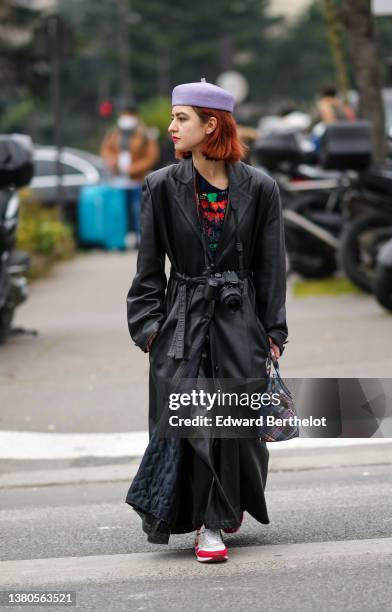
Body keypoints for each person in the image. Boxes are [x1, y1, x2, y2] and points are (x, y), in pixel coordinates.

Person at [125, 78, 288, 563]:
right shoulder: (159, 185)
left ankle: (221, 510)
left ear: (211, 124)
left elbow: (271, 266)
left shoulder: (260, 188)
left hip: (239, 322)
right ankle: (208, 524)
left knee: (235, 426)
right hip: (181, 322)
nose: (171, 127)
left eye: (182, 118)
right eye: (174, 118)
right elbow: (149, 267)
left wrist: (273, 332)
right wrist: (149, 328)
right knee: (193, 424)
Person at [100, 102, 160, 245]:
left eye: (129, 115)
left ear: (135, 117)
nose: (126, 118)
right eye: (124, 115)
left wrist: (133, 169)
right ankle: (125, 237)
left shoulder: (145, 133)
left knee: (141, 209)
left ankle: (142, 237)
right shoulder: (114, 133)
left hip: (138, 179)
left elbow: (151, 156)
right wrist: (111, 160)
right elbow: (105, 149)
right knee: (122, 209)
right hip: (119, 180)